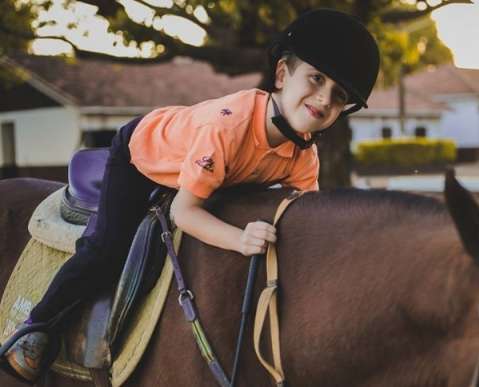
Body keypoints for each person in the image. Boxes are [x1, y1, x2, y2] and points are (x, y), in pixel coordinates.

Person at [1, 8, 380, 382]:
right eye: (315, 79)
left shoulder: (303, 154)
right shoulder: (228, 127)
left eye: (338, 94)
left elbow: (303, 222)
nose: (323, 99)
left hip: (212, 172)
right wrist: (239, 238)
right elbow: (185, 211)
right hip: (143, 157)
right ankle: (35, 328)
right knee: (106, 248)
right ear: (282, 74)